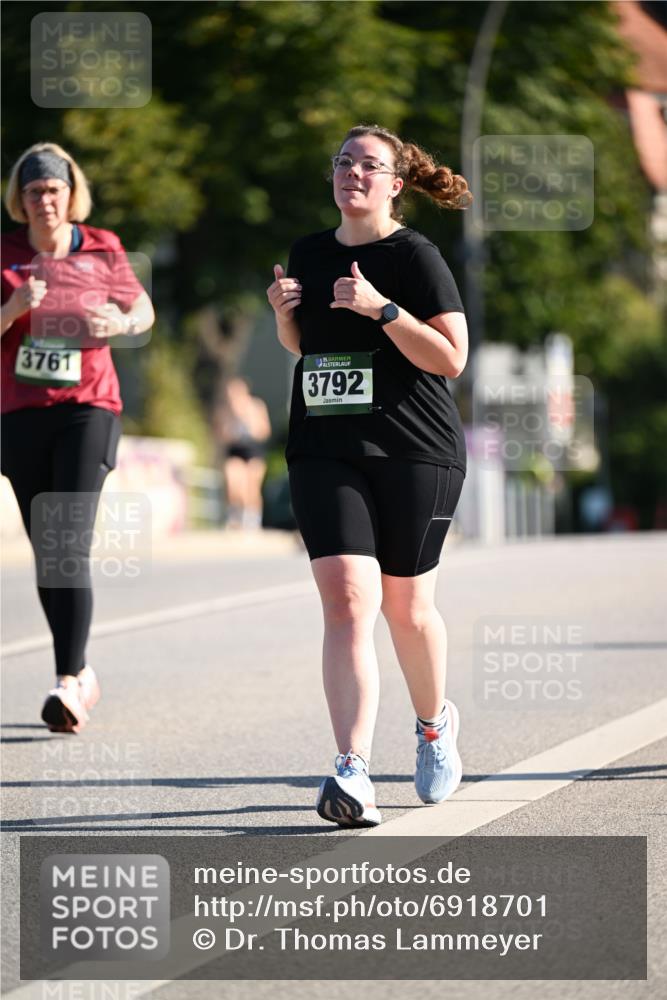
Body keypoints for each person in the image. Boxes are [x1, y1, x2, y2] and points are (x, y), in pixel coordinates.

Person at [267, 124, 471, 827]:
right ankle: (351, 770)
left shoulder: (414, 255)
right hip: (324, 445)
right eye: (343, 161)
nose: (353, 172)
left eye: (369, 165)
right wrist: (282, 320)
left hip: (413, 448)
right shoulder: (309, 251)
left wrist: (382, 309)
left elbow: (451, 358)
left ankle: (434, 725)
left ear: (394, 183)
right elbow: (305, 348)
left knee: (406, 609)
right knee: (346, 600)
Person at [1, 142, 155, 733]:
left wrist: (119, 323)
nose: (45, 200)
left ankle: (67, 680)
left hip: (89, 406)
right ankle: (81, 672)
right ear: (20, 198)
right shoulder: (5, 255)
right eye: (35, 191)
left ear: (71, 195)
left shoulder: (102, 247)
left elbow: (142, 311)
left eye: (55, 190)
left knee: (68, 535)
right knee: (50, 551)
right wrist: (13, 307)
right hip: (19, 414)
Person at [213, 376, 271, 530]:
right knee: (233, 483)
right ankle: (234, 515)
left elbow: (264, 431)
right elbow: (221, 435)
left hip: (253, 450)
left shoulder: (255, 406)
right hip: (235, 450)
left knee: (251, 486)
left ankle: (253, 518)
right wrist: (231, 422)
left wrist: (248, 419)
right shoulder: (225, 409)